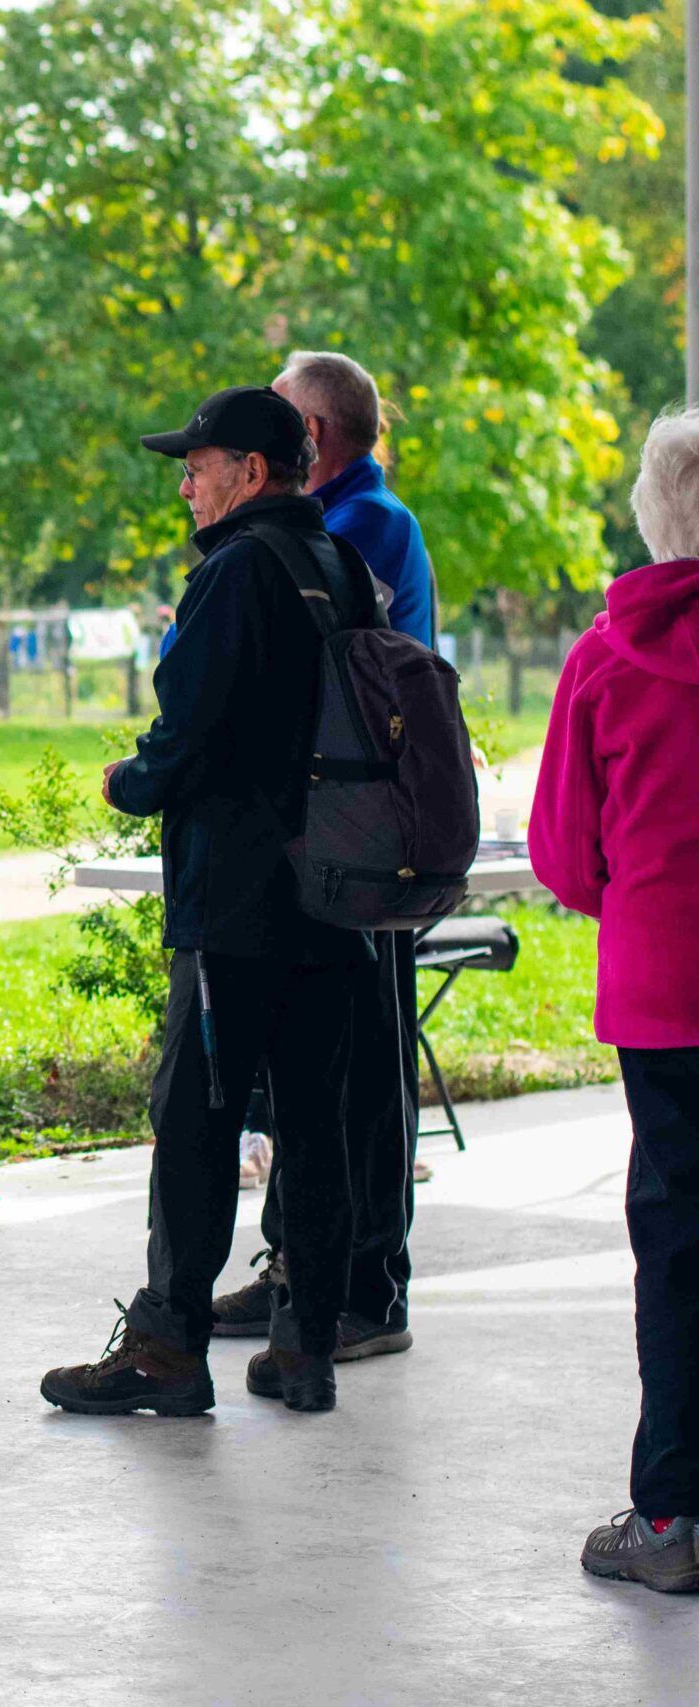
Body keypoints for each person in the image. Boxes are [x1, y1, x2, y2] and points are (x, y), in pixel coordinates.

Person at [41, 385, 378, 1418]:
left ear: (254, 472)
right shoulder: (337, 565)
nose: (185, 482)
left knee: (194, 1117)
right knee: (316, 1124)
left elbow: (188, 734)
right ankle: (303, 1346)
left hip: (235, 900)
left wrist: (125, 784)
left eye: (200, 463)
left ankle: (166, 1345)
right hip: (331, 891)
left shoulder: (236, 571)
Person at [214, 351, 439, 1354]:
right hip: (321, 842)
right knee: (316, 1073)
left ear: (315, 432)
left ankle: (363, 1290)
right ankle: (299, 1268)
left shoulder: (355, 529)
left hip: (362, 846)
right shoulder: (340, 524)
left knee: (364, 1078)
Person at [533, 408, 699, 1594]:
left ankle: (673, 1519)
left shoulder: (604, 657)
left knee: (679, 1245)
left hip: (665, 989)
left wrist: (631, 898)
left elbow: (561, 853)